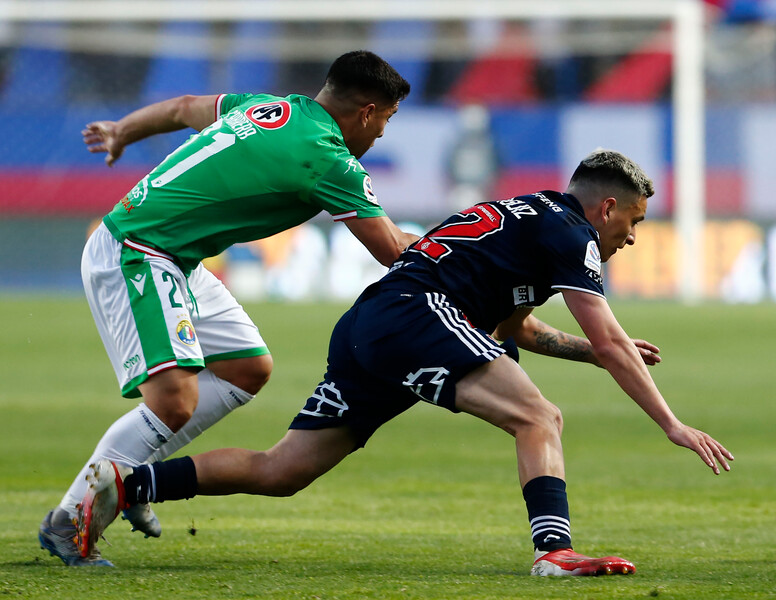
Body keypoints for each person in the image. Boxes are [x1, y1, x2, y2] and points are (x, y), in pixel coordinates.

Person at [77, 149, 734, 575]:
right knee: (539, 416)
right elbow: (614, 340)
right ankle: (554, 553)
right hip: (415, 317)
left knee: (284, 469)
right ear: (608, 206)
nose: (632, 237)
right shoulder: (573, 235)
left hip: (373, 325)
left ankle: (124, 485)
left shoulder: (528, 219)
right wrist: (671, 423)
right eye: (635, 222)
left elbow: (514, 327)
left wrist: (587, 353)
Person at [39, 50, 422, 567]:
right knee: (173, 400)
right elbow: (395, 253)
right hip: (139, 252)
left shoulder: (267, 107)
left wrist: (123, 131)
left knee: (246, 369)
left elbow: (181, 107)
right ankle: (70, 519)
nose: (381, 137)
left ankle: (131, 482)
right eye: (387, 122)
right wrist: (470, 252)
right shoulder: (329, 158)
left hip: (177, 257)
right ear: (369, 111)